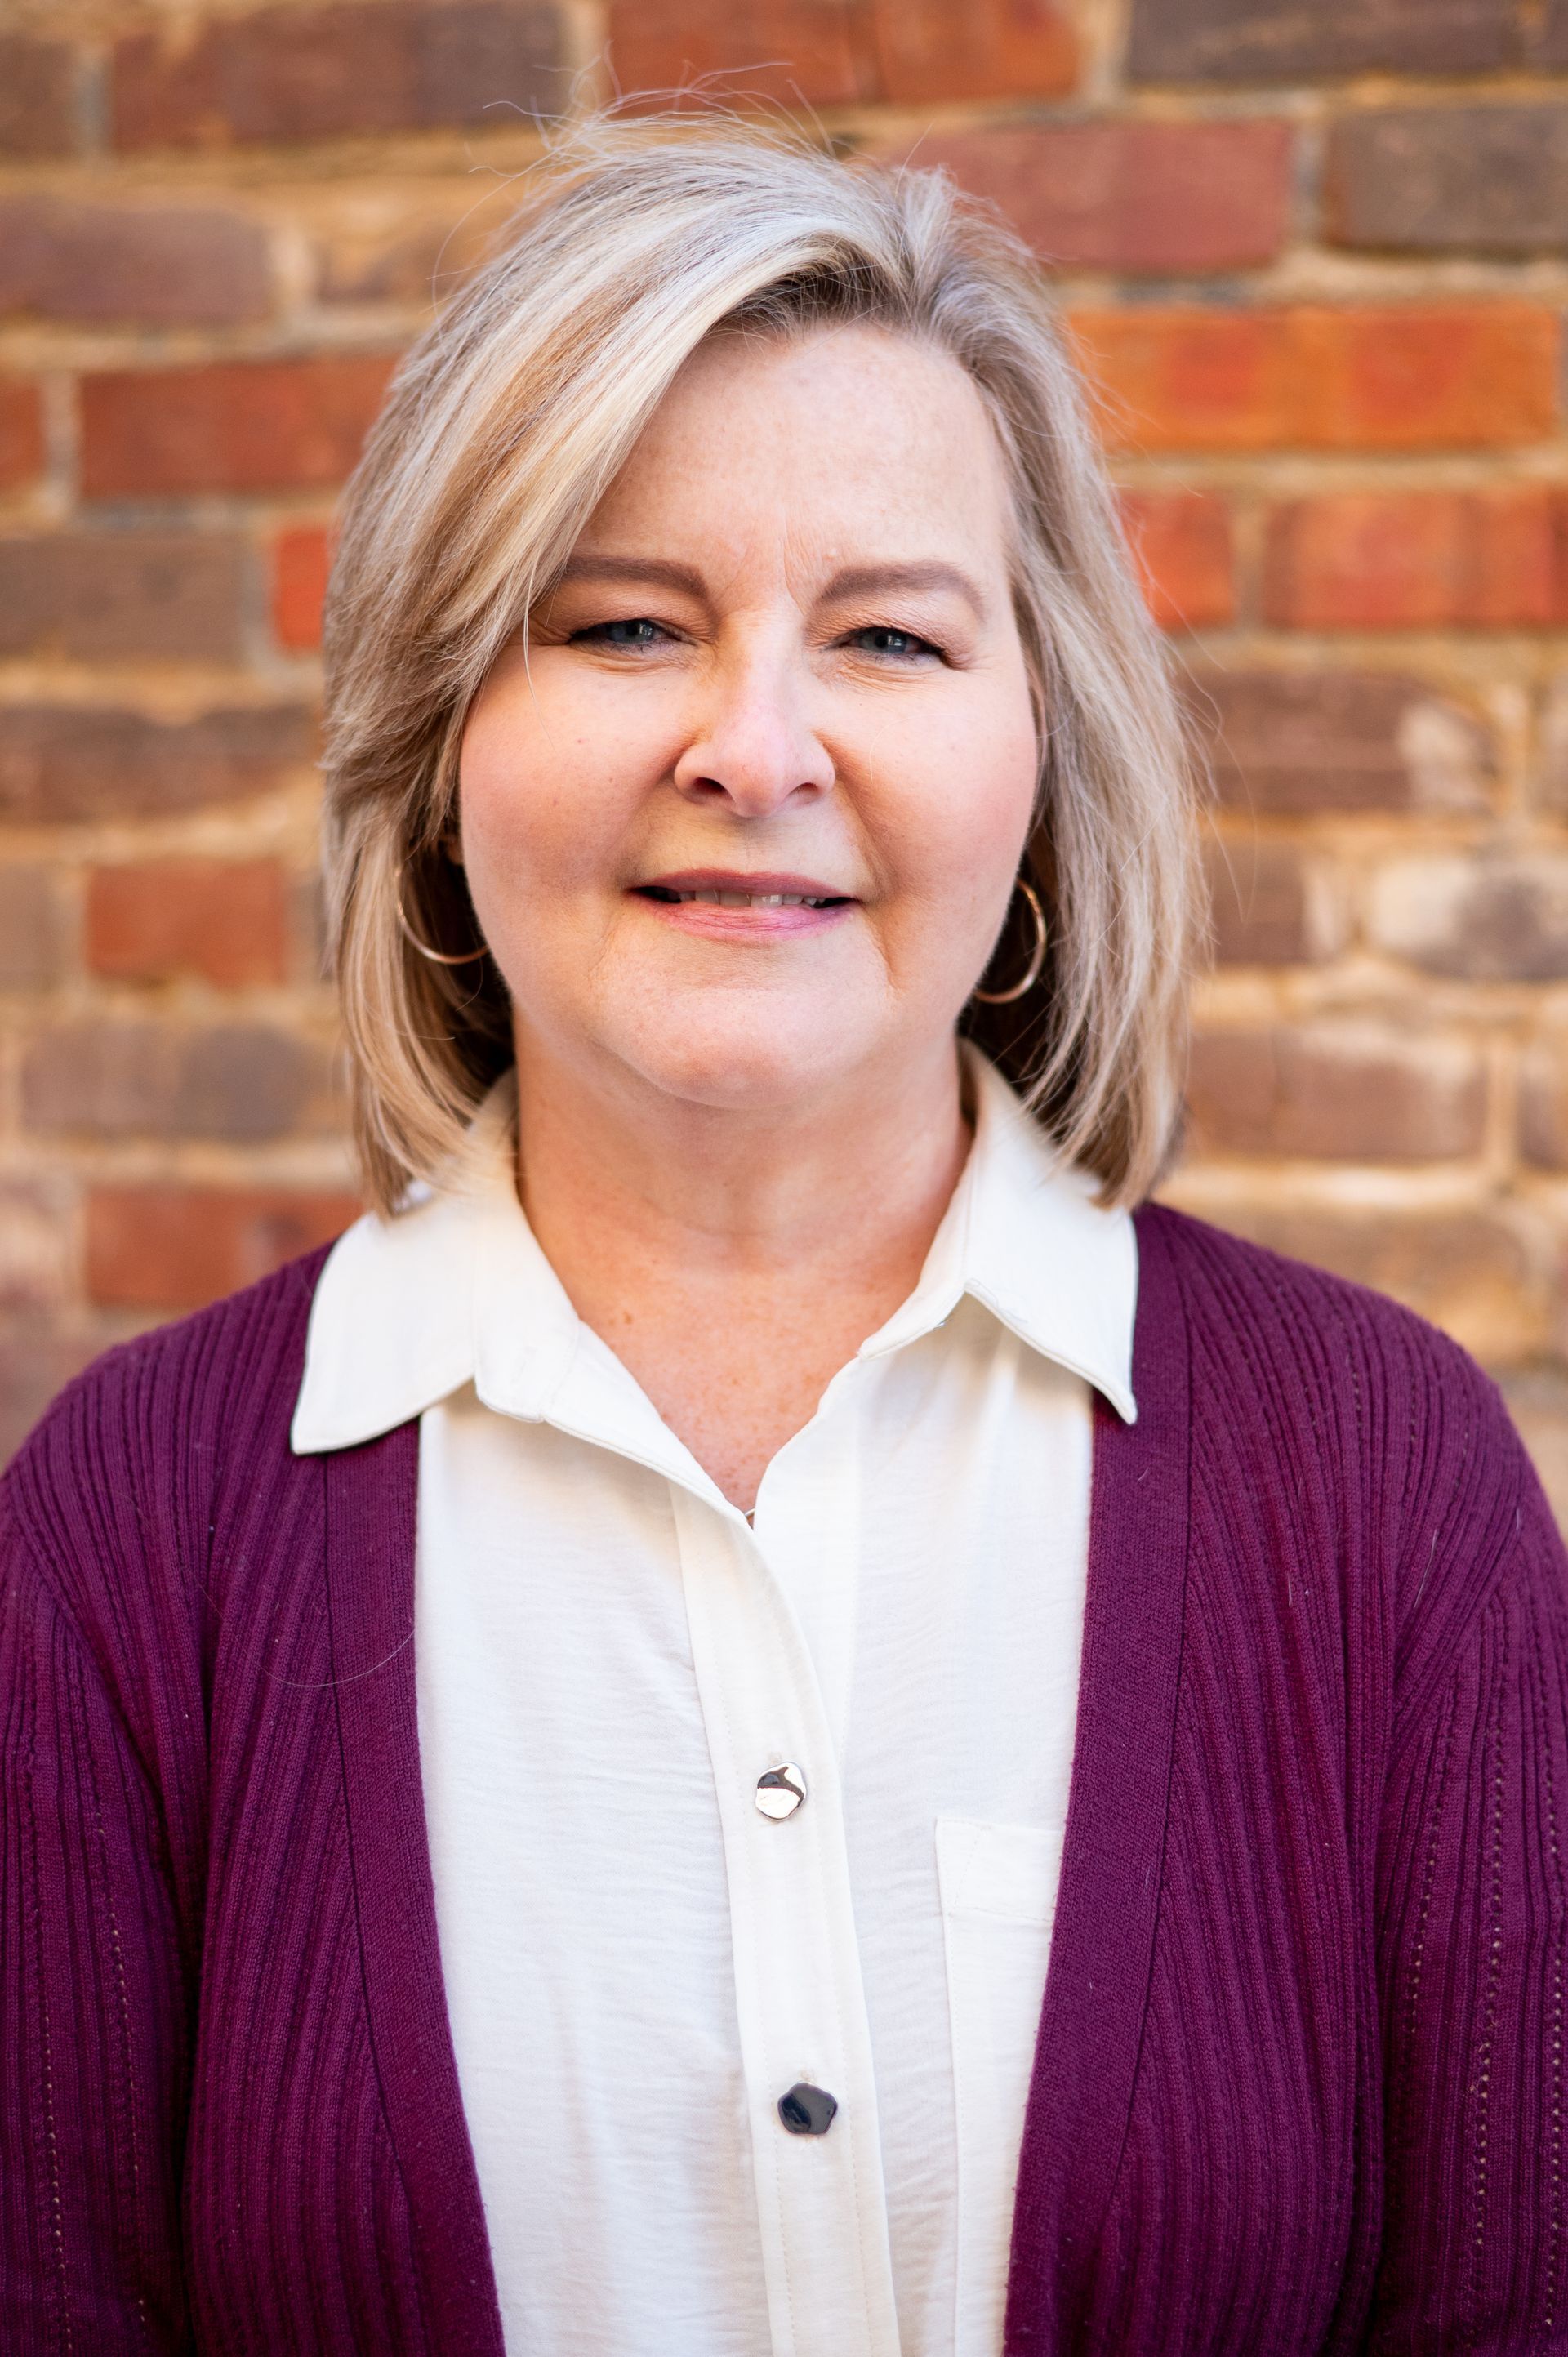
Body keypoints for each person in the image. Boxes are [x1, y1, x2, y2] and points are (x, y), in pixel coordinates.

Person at [2, 115, 1565, 2357]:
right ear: (445, 738)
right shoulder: (123, 1541)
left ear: (1043, 753)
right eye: (626, 624)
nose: (758, 745)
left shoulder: (1384, 1491)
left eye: (891, 639)